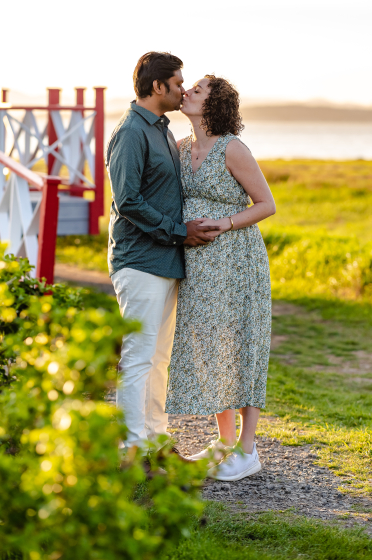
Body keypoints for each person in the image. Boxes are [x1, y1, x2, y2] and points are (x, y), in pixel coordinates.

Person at [106, 52, 218, 455]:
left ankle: (155, 440)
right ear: (157, 87)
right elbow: (129, 201)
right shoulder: (132, 132)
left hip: (165, 261)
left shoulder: (162, 130)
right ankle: (132, 449)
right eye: (177, 82)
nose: (182, 88)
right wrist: (179, 231)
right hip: (139, 262)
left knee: (158, 359)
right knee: (138, 358)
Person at [165, 74, 275, 481]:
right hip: (198, 265)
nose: (187, 92)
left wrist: (226, 223)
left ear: (213, 104)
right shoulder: (180, 148)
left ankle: (248, 450)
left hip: (237, 260)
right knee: (212, 345)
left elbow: (266, 204)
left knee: (242, 341)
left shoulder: (233, 148)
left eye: (197, 89)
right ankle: (224, 442)